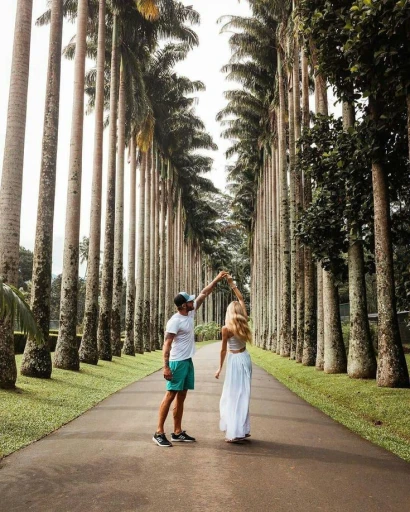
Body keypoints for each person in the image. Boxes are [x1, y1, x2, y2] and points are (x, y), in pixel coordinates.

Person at [153, 271, 228, 447]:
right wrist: (166, 367)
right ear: (183, 305)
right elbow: (166, 344)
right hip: (176, 362)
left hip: (187, 361)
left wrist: (217, 279)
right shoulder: (175, 321)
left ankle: (177, 432)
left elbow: (204, 293)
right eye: (189, 301)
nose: (192, 302)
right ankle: (158, 432)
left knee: (182, 396)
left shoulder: (190, 314)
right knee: (170, 395)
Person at [215, 274, 252, 443]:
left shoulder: (226, 328)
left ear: (229, 312)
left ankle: (235, 432)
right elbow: (241, 299)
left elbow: (223, 350)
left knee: (232, 395)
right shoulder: (244, 321)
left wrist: (219, 368)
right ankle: (242, 429)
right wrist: (232, 284)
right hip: (245, 358)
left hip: (235, 361)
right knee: (243, 395)